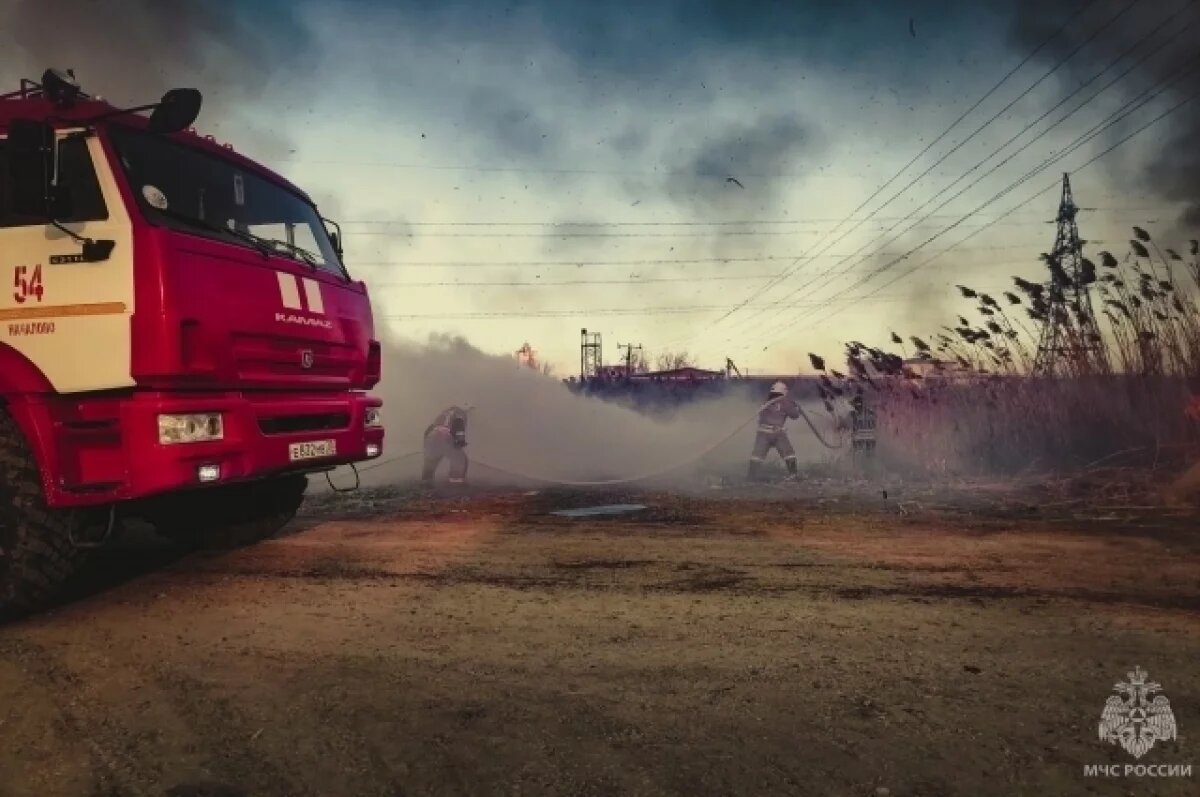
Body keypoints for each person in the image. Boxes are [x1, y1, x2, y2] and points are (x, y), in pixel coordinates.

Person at [748, 382, 800, 481]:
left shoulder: (765, 402)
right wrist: (795, 407)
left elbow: (759, 413)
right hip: (777, 433)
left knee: (757, 455)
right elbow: (795, 415)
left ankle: (751, 476)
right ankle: (793, 475)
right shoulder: (785, 402)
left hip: (762, 432)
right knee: (789, 454)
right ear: (784, 391)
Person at [421, 404, 472, 486]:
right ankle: (455, 484)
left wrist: (427, 447)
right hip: (445, 437)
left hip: (431, 437)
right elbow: (459, 425)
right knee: (460, 459)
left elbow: (428, 430)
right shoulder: (459, 414)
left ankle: (426, 482)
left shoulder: (442, 415)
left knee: (431, 461)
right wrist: (460, 441)